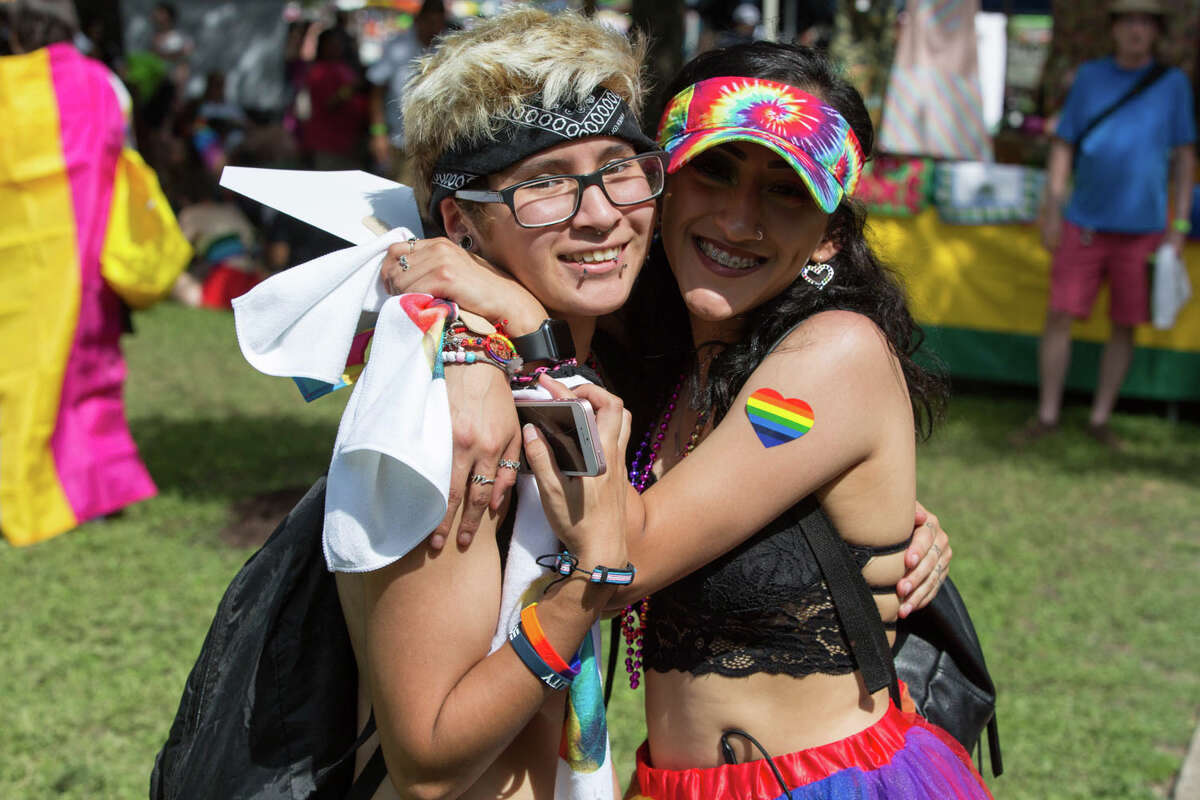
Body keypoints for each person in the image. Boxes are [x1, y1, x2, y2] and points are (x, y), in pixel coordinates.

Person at [332, 10, 950, 799]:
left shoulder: (833, 355)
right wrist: (482, 347)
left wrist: (526, 331)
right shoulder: (654, 358)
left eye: (786, 194)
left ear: (829, 235)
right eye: (716, 171)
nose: (737, 219)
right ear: (668, 179)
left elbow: (625, 550)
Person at [0, 0, 189, 546]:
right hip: (77, 263)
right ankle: (85, 493)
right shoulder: (101, 85)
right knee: (82, 377)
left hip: (13, 260)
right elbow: (124, 161)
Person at [1014, 0, 1195, 450]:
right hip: (1084, 224)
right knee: (1059, 315)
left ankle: (1100, 417)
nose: (1136, 30)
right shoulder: (1090, 77)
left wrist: (1178, 223)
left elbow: (1185, 157)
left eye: (1145, 22)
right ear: (1115, 29)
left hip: (1144, 230)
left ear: (1156, 32)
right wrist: (1053, 208)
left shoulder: (1172, 85)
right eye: (1128, 21)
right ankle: (1047, 414)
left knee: (1125, 323)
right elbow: (1063, 145)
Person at [366, 0, 448, 179]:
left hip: (437, 145)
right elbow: (377, 90)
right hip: (399, 141)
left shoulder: (449, 47)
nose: (433, 26)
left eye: (438, 21)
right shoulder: (397, 45)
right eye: (429, 21)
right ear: (419, 20)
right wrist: (378, 133)